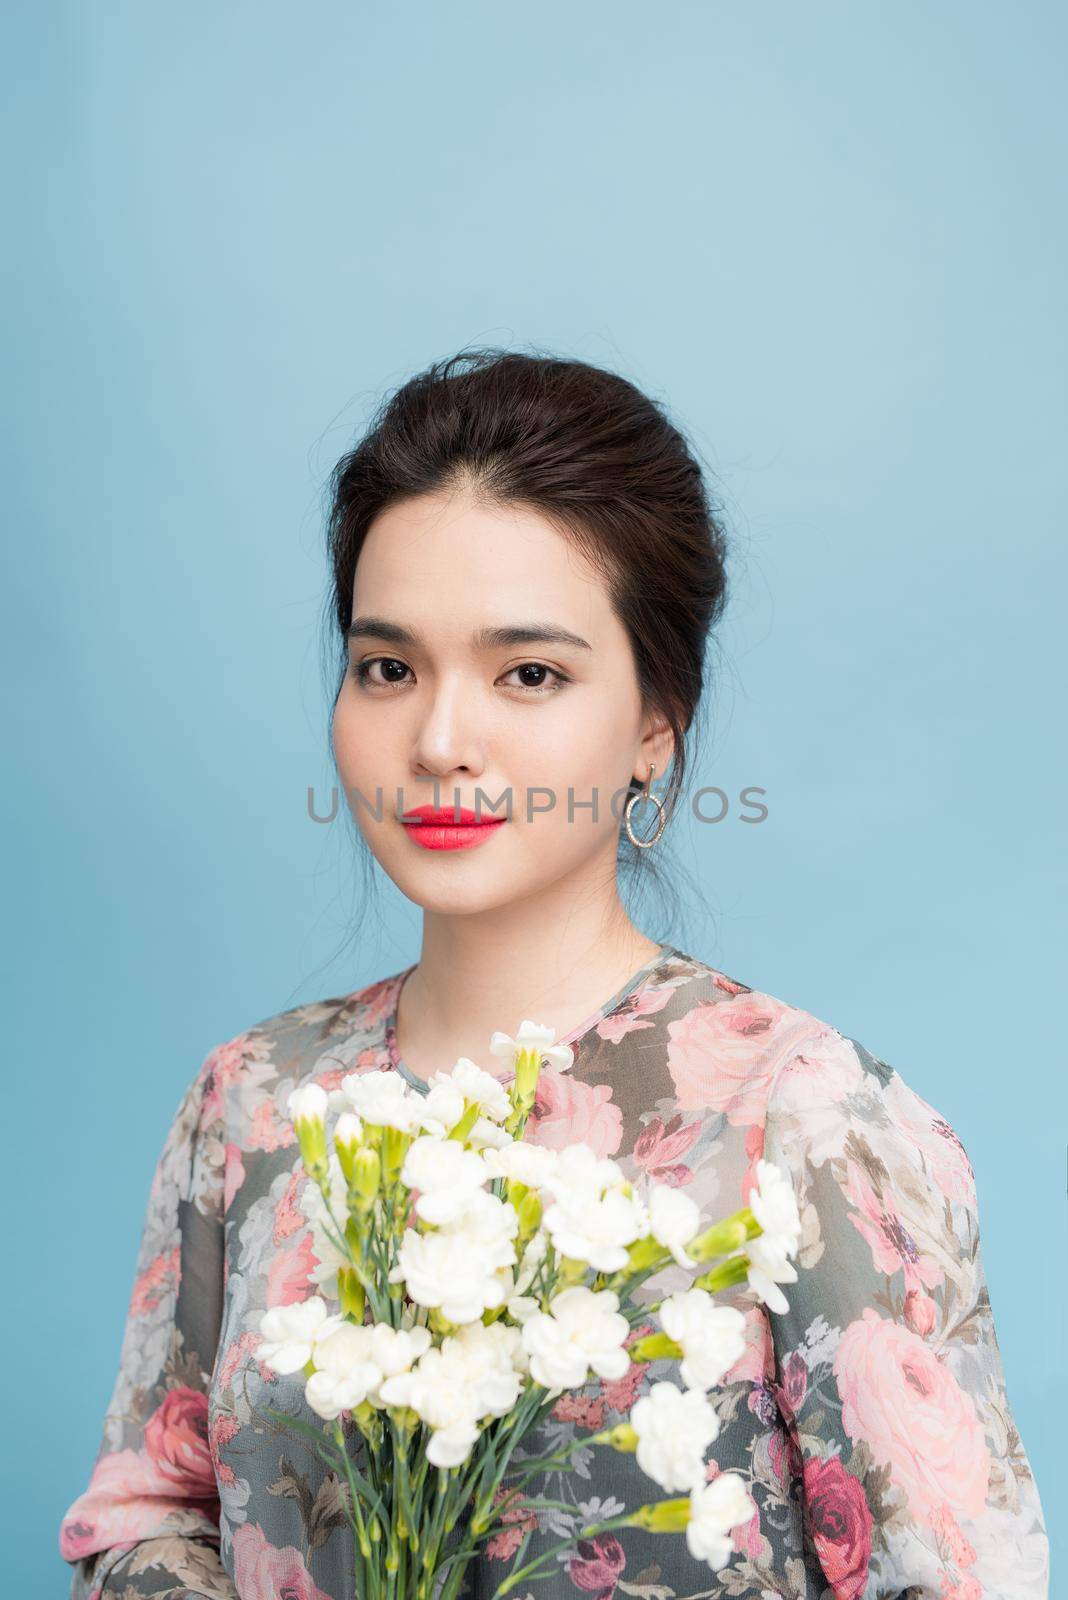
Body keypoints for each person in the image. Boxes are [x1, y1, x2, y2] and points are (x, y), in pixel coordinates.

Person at [59, 350, 1049, 1600]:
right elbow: (148, 1513)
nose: (439, 740)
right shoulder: (256, 1102)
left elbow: (961, 1578)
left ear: (652, 725)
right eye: (388, 666)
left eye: (529, 673)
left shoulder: (799, 1117)